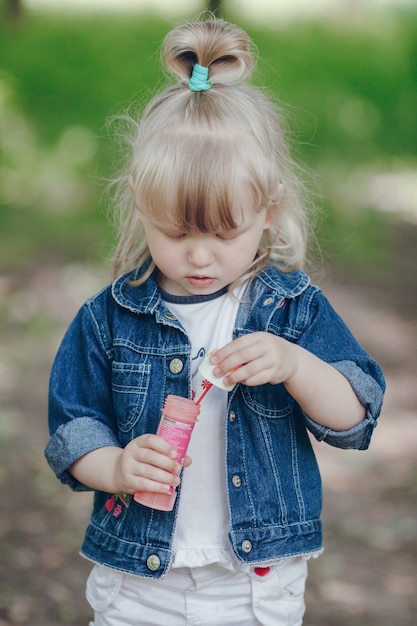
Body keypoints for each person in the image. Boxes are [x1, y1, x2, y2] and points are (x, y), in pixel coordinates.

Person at [45, 16, 385, 626]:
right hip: (137, 581)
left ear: (268, 212)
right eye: (176, 233)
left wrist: (294, 364)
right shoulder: (108, 319)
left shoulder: (289, 308)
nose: (200, 256)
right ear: (141, 206)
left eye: (226, 233)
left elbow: (356, 417)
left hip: (255, 585)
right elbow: (74, 433)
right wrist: (117, 468)